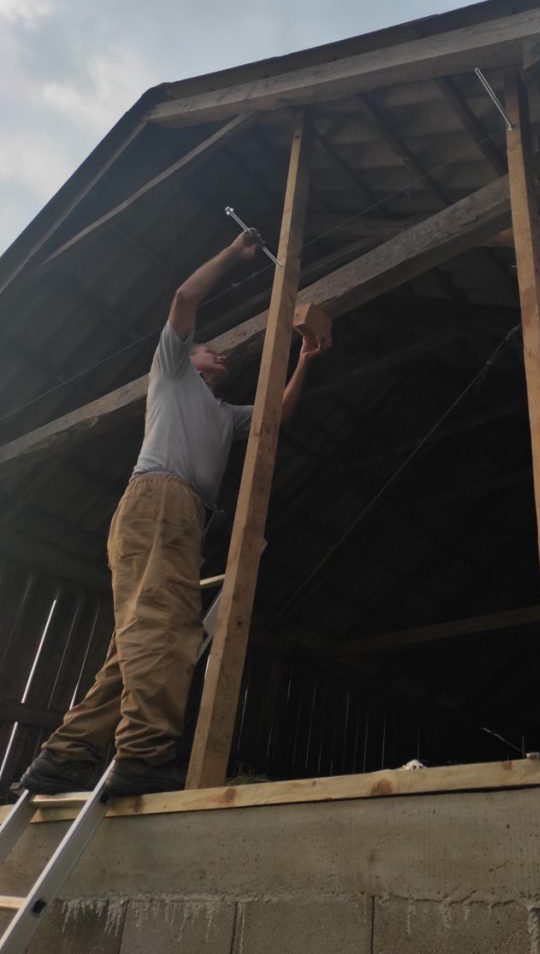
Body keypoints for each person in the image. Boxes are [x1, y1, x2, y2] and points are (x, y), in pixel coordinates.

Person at [20, 229, 329, 796]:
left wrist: (303, 359)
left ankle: (64, 757)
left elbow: (274, 420)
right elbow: (185, 301)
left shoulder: (222, 412)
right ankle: (143, 754)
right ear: (187, 356)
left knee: (137, 640)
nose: (220, 353)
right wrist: (236, 254)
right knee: (163, 627)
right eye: (210, 347)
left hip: (185, 511)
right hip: (159, 497)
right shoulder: (172, 371)